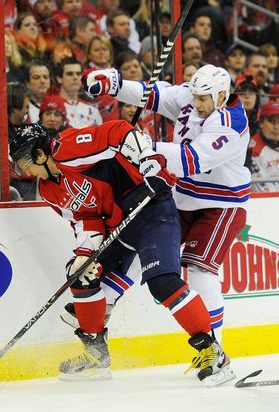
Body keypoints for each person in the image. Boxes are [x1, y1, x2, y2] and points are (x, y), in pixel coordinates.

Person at [10, 120, 232, 385]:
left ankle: (212, 351)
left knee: (162, 283)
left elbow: (118, 130)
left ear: (40, 153)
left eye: (26, 163)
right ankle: (96, 355)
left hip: (151, 209)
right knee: (80, 276)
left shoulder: (67, 148)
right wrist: (84, 253)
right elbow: (85, 219)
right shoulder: (48, 190)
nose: (26, 171)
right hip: (119, 226)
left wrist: (148, 161)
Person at [82, 64, 251, 370]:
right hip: (181, 198)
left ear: (222, 96)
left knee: (199, 270)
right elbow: (152, 94)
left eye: (204, 99)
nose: (196, 104)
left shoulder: (231, 122)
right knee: (140, 248)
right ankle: (103, 307)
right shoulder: (191, 96)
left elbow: (191, 160)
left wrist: (140, 146)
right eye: (196, 97)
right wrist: (113, 83)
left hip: (220, 205)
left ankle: (216, 352)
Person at [249, 101, 279, 192]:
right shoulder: (252, 150)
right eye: (272, 121)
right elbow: (262, 191)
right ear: (261, 123)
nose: (276, 127)